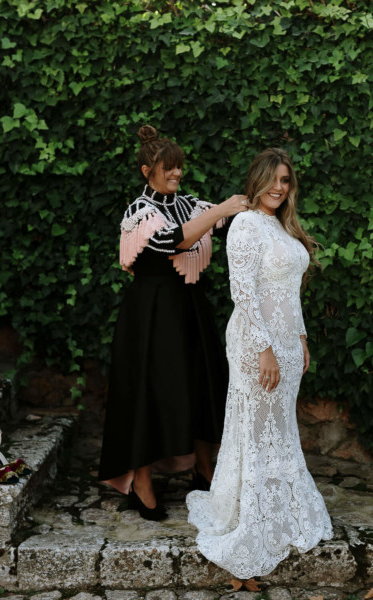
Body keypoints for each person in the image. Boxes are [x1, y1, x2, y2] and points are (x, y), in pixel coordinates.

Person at [186, 148, 333, 578]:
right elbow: (244, 292)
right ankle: (251, 516)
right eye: (272, 178)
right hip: (256, 342)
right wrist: (264, 348)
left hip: (288, 342)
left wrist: (301, 339)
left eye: (286, 180)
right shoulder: (246, 224)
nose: (278, 187)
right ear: (257, 179)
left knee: (280, 426)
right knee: (256, 426)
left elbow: (290, 292)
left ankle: (282, 511)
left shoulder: (282, 228)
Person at [97, 125, 247, 521]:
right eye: (168, 168)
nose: (177, 174)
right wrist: (221, 210)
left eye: (179, 167)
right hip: (149, 313)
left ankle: (204, 467)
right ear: (148, 171)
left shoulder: (192, 204)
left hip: (190, 309)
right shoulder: (139, 212)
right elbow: (172, 243)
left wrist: (252, 202)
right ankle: (141, 482)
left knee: (203, 382)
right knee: (149, 390)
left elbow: (229, 223)